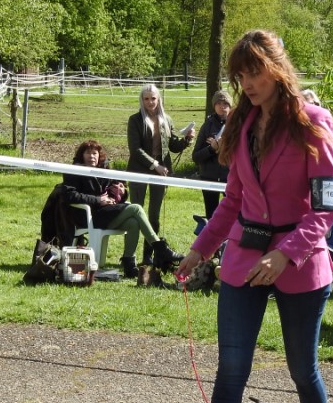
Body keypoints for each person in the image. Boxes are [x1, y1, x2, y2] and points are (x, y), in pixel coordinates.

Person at [174, 30, 333, 403]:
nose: (246, 83)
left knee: (302, 369)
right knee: (230, 372)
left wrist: (287, 254)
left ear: (277, 68)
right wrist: (200, 250)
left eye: (254, 72)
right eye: (239, 75)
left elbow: (327, 207)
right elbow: (232, 201)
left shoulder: (314, 123)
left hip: (301, 265)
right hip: (243, 262)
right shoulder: (241, 124)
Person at [61, 140, 182, 278]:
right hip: (88, 215)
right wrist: (98, 200)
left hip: (108, 212)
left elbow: (118, 191)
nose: (92, 156)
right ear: (81, 155)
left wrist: (121, 191)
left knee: (133, 223)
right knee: (136, 208)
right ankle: (160, 248)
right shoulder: (74, 170)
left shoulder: (105, 170)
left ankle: (129, 265)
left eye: (95, 153)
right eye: (88, 153)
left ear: (99, 155)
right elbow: (69, 195)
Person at [127, 84, 196, 266]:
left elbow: (173, 146)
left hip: (161, 172)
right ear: (142, 100)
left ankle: (148, 255)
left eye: (153, 98)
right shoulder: (135, 120)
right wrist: (154, 165)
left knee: (154, 215)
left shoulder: (166, 119)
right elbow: (135, 149)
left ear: (159, 99)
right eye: (146, 99)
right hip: (139, 170)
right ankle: (129, 256)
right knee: (136, 213)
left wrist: (187, 140)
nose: (150, 102)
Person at [191, 89, 232, 218]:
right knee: (211, 216)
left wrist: (226, 147)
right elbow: (196, 156)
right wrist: (211, 149)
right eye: (218, 103)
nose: (222, 106)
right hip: (209, 177)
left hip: (230, 178)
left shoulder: (237, 126)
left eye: (225, 103)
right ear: (214, 106)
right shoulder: (206, 126)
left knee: (234, 215)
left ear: (230, 106)